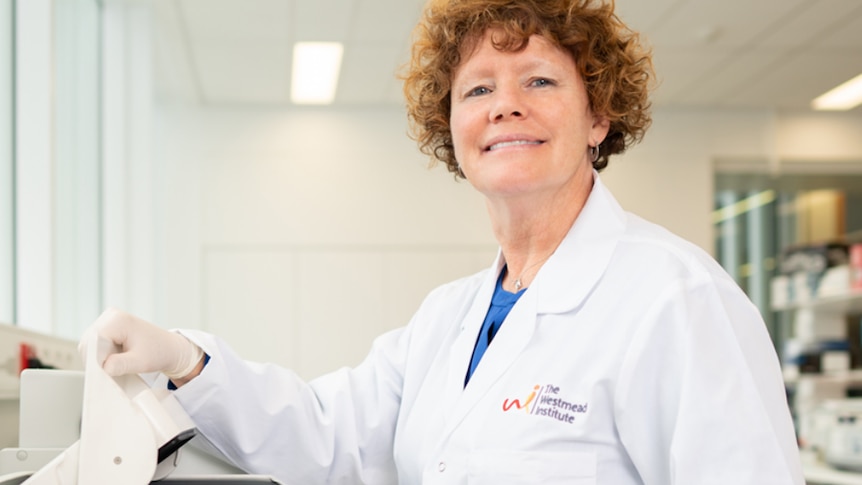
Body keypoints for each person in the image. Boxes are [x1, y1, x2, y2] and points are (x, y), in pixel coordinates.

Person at [83, 0, 804, 483]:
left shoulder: (676, 299)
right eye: (478, 90)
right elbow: (327, 434)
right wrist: (187, 360)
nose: (507, 105)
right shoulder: (446, 321)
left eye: (541, 78)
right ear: (451, 130)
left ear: (598, 117)